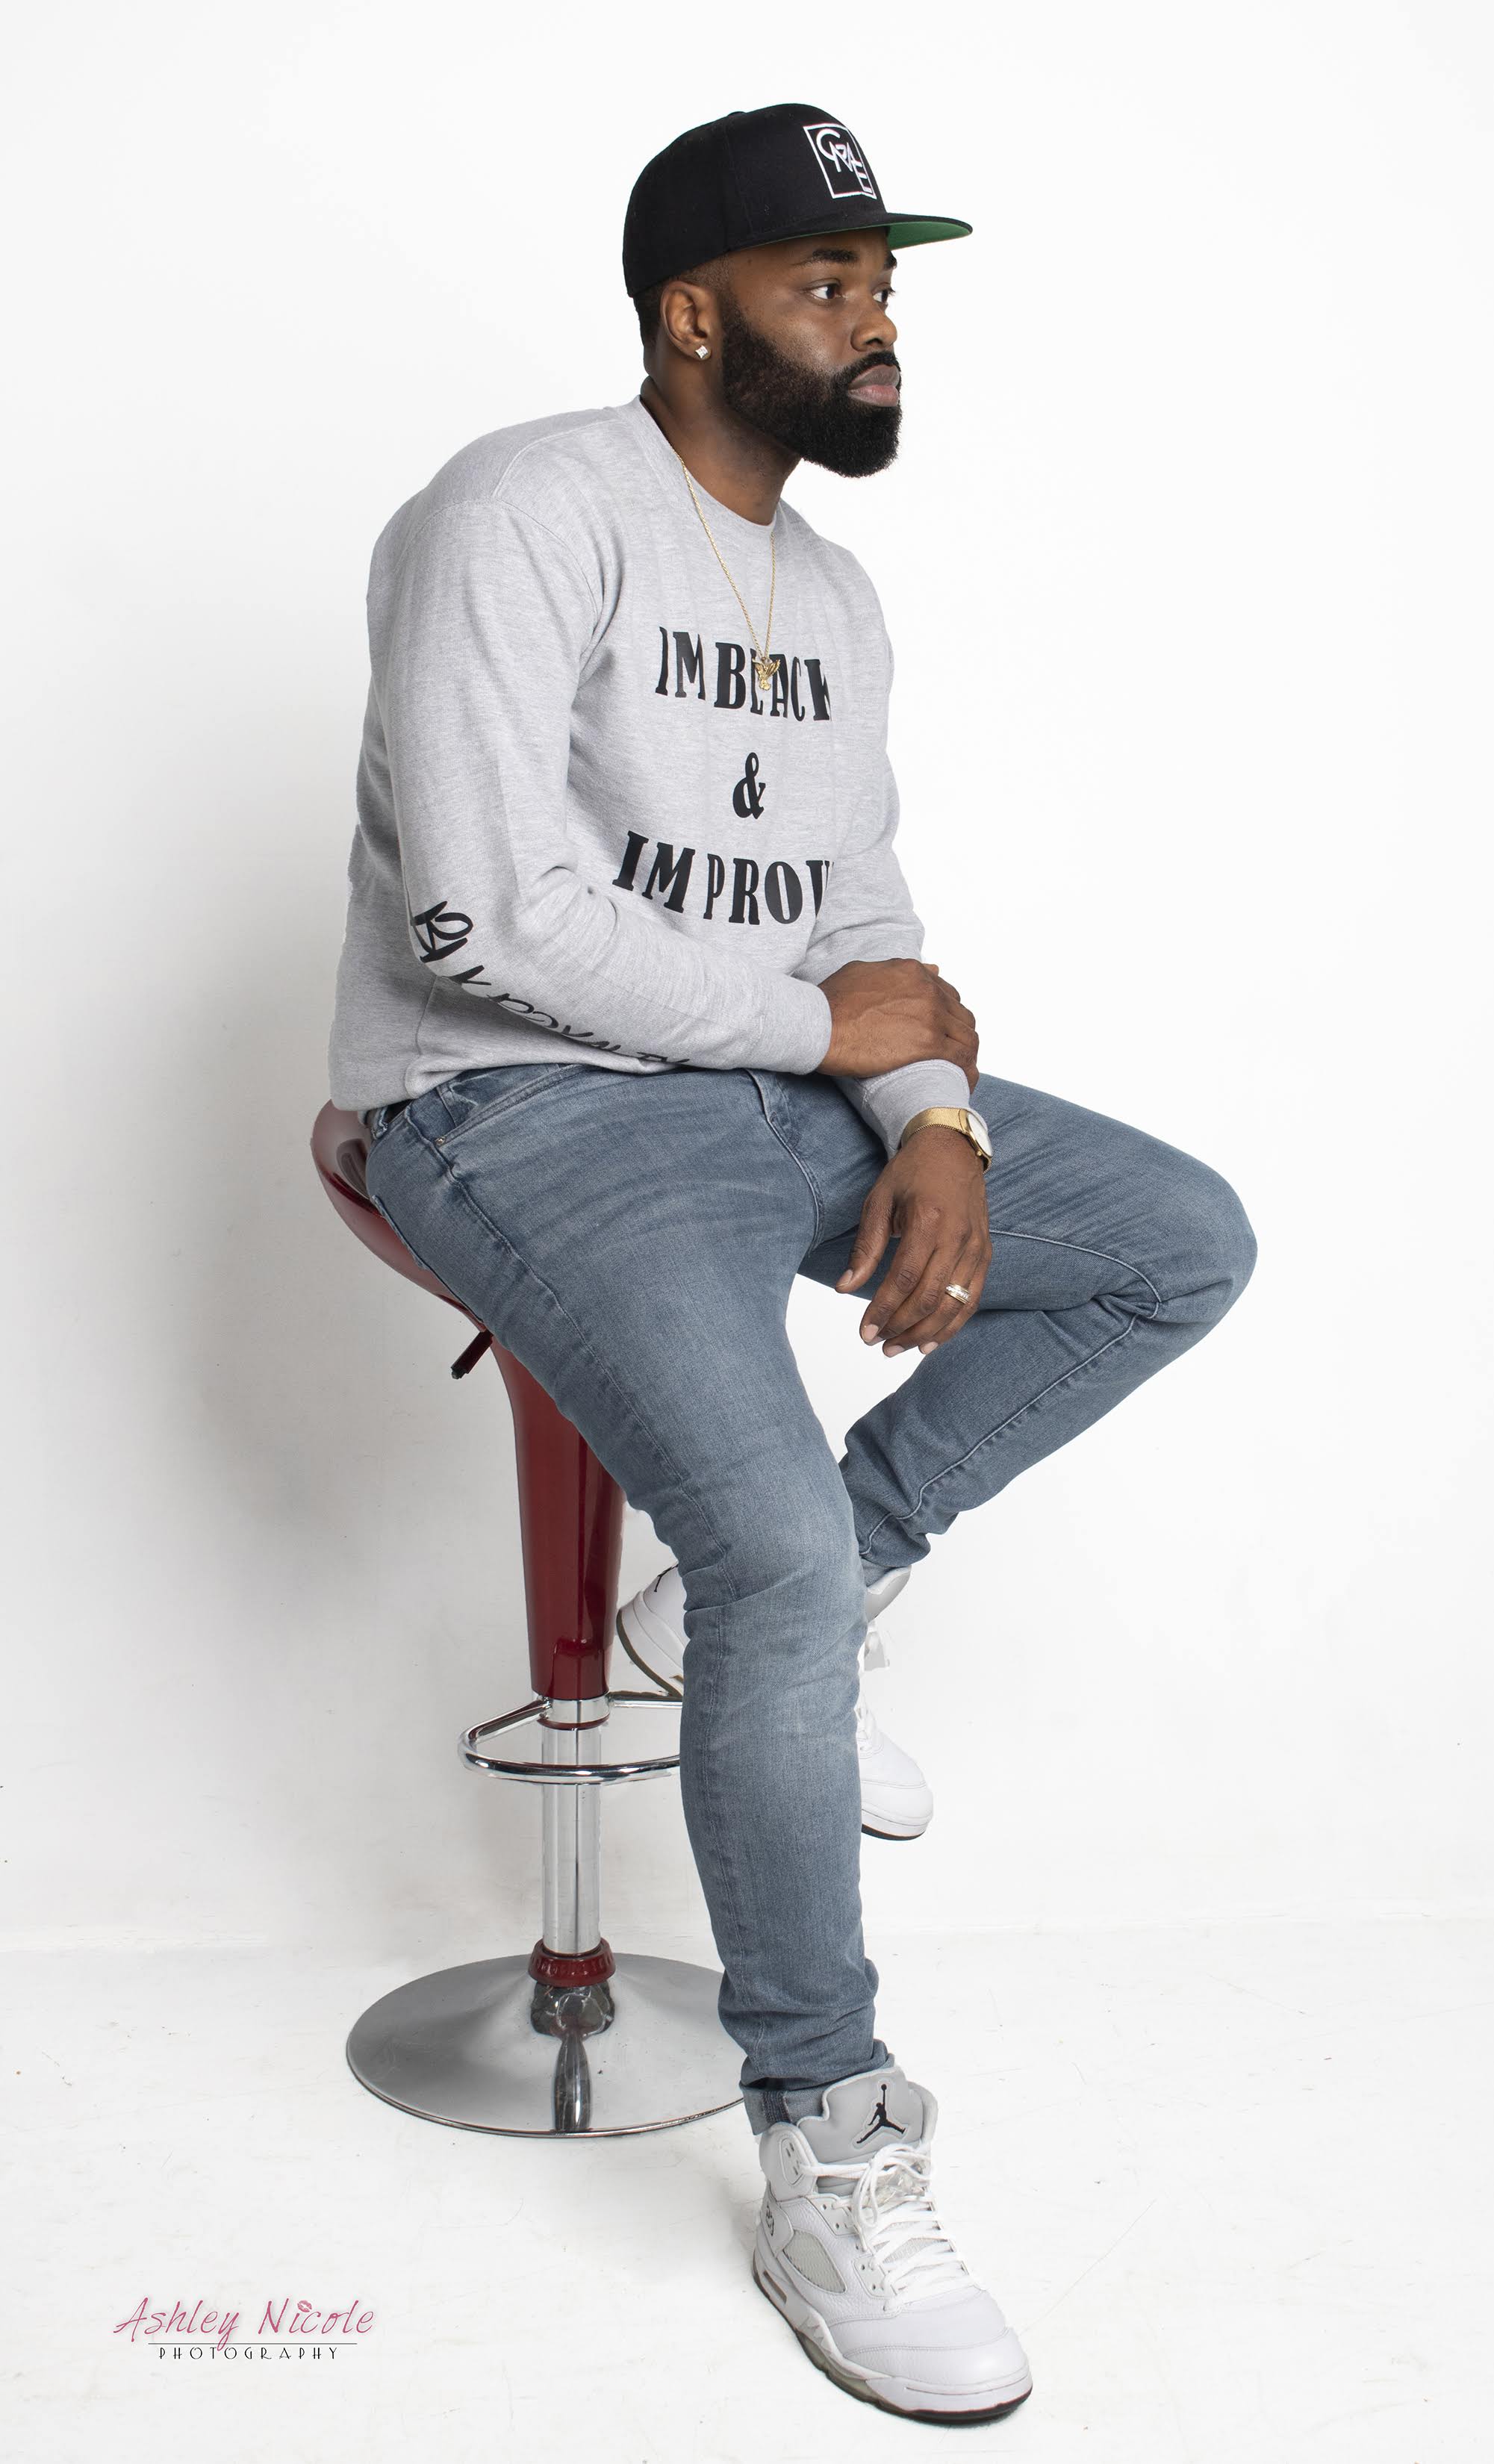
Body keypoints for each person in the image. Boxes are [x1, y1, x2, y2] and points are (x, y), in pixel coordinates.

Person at [327, 102, 1255, 2425]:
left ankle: (840, 1562)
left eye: (885, 286)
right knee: (754, 1541)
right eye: (825, 283)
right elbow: (481, 918)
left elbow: (865, 924)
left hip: (763, 1089)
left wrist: (928, 1121)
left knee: (1174, 1240)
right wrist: (821, 1039)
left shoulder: (832, 599)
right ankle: (831, 2142)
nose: (873, 321)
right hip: (507, 1105)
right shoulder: (520, 510)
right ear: (690, 314)